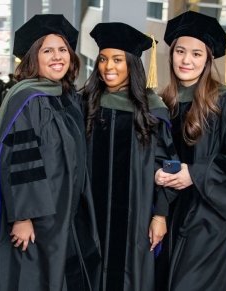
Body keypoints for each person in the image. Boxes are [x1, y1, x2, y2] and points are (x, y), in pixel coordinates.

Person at [0, 14, 100, 291]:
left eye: (62, 50)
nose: (57, 57)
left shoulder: (65, 97)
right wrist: (23, 217)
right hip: (37, 219)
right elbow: (19, 159)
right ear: (33, 58)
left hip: (63, 211)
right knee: (33, 278)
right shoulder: (27, 98)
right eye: (47, 50)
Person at [154, 11, 226, 290]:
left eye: (197, 54)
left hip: (208, 224)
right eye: (180, 51)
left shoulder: (225, 103)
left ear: (208, 60)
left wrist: (194, 174)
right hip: (168, 218)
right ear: (171, 54)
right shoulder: (163, 103)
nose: (187, 60)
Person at [82, 22, 176, 291]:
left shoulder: (152, 111)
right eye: (102, 59)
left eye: (117, 59)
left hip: (135, 219)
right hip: (90, 215)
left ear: (132, 63)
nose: (108, 67)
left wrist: (160, 215)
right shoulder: (85, 104)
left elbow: (168, 164)